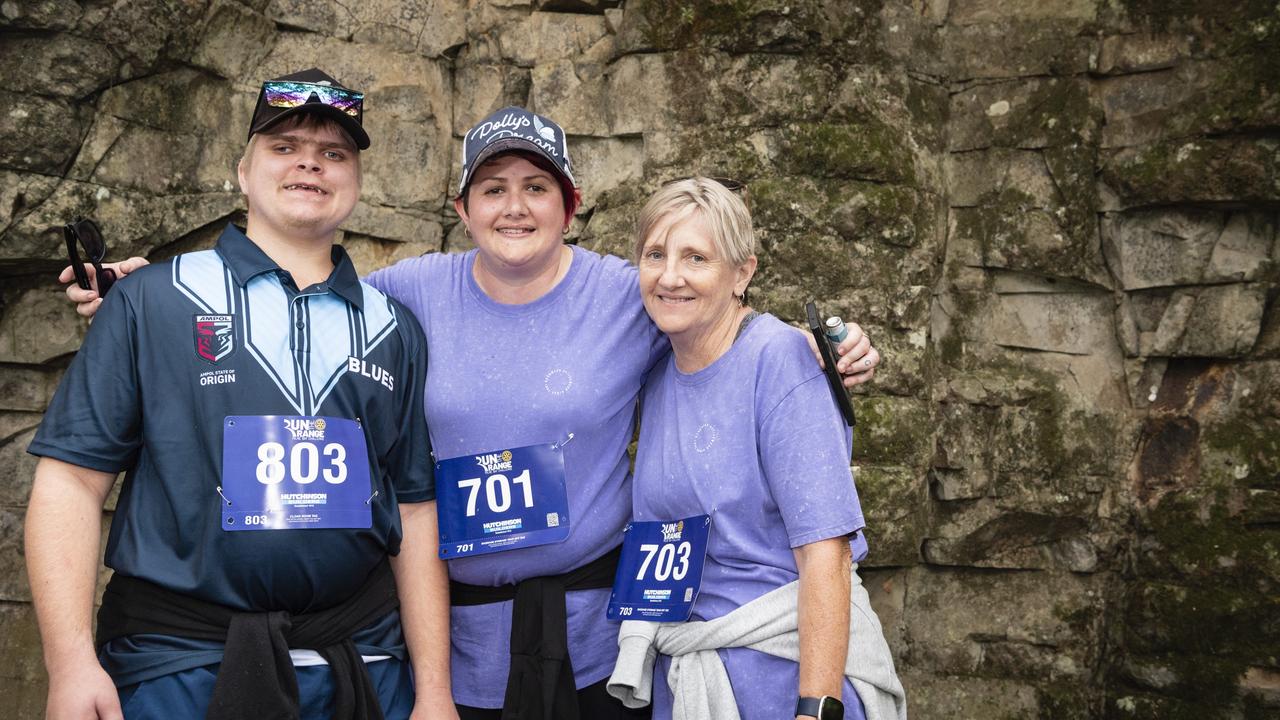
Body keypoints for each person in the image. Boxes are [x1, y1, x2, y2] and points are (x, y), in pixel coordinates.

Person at [61, 106, 882, 718]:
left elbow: (711, 312)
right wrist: (149, 293)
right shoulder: (405, 295)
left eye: (535, 188)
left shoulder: (627, 293)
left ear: (572, 203)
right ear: (462, 208)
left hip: (600, 635)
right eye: (492, 189)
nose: (514, 207)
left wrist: (826, 348)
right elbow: (290, 301)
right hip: (458, 639)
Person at [27, 69, 455, 720]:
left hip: (360, 669)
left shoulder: (394, 328)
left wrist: (434, 692)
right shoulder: (153, 299)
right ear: (242, 172)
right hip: (178, 668)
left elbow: (416, 515)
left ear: (357, 182)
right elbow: (70, 482)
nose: (310, 161)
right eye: (284, 146)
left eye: (334, 152)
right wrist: (69, 661)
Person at [606, 178, 906, 720]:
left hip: (779, 678)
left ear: (742, 272)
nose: (670, 276)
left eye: (696, 257)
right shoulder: (657, 371)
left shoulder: (783, 362)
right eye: (655, 255)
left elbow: (827, 555)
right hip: (690, 674)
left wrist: (815, 708)